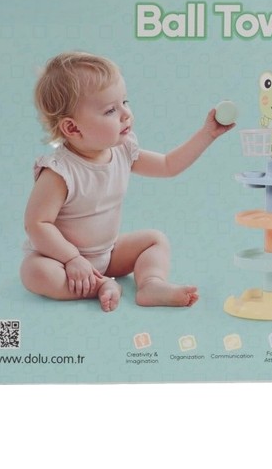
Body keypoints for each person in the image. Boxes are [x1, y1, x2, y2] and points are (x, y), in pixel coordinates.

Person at [20, 52, 235, 312]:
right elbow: (37, 224)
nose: (125, 114)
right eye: (110, 110)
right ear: (73, 128)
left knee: (154, 240)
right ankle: (101, 286)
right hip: (63, 261)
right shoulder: (60, 172)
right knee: (35, 272)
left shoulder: (122, 150)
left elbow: (168, 165)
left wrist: (207, 134)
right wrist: (72, 258)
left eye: (124, 102)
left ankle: (151, 284)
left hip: (108, 254)